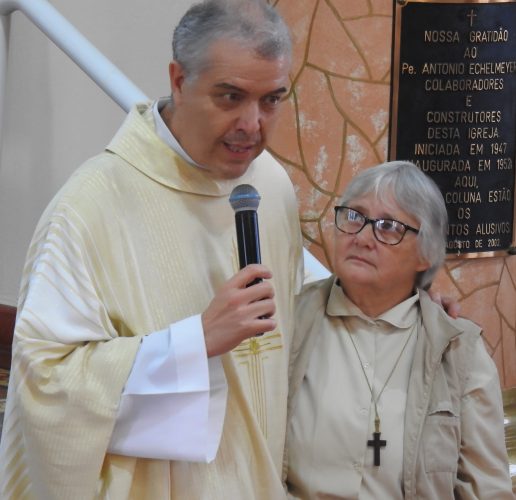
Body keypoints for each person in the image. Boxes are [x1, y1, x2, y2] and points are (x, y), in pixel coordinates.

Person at [0, 1, 304, 498]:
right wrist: (194, 342)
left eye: (271, 100)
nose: (253, 124)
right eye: (230, 97)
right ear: (179, 80)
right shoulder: (92, 205)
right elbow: (47, 384)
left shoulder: (271, 186)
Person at [285, 161, 513, 499]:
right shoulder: (289, 323)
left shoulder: (458, 351)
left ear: (426, 254)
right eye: (354, 216)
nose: (362, 237)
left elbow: (488, 490)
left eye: (389, 226)